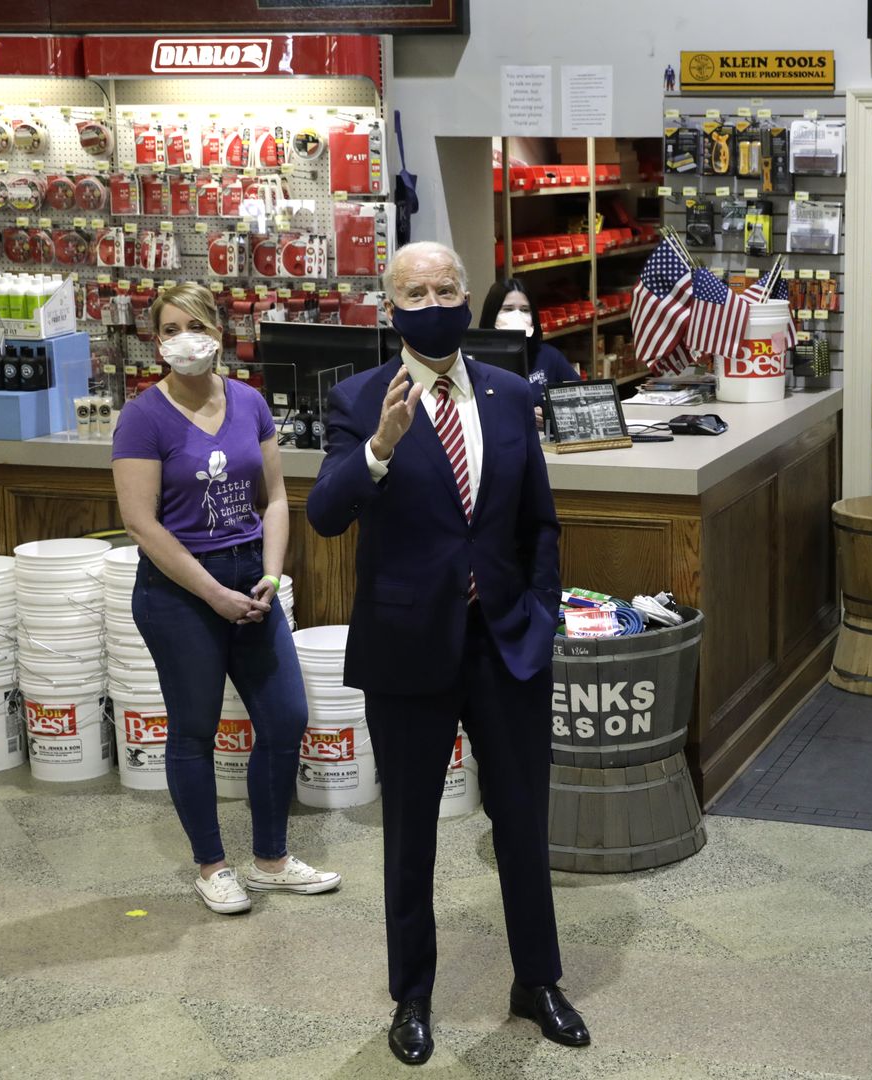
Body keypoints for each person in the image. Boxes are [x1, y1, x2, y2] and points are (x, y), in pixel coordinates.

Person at [307, 242, 588, 1066]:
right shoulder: (360, 400)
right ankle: (413, 996)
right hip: (407, 647)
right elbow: (325, 513)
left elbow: (538, 521)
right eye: (413, 291)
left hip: (505, 644)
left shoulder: (506, 395)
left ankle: (536, 981)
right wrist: (381, 447)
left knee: (522, 825)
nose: (432, 301)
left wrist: (539, 613)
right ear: (390, 306)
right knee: (411, 832)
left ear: (467, 296)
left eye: (443, 288)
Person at [111, 282, 341, 916]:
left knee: (286, 715)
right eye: (168, 329)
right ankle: (212, 866)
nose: (182, 338)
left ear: (217, 330)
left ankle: (270, 859)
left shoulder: (248, 402)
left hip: (251, 579)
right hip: (181, 589)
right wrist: (213, 593)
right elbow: (141, 524)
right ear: (156, 342)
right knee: (193, 729)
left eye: (193, 324)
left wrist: (270, 575)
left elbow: (273, 497)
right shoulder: (143, 416)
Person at [478, 278, 582, 415]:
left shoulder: (549, 356)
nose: (517, 315)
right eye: (508, 309)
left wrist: (550, 414)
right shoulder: (477, 363)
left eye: (525, 310)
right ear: (492, 314)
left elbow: (581, 398)